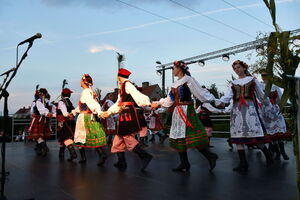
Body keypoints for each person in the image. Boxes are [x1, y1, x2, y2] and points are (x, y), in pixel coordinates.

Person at [151, 61, 218, 172]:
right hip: (177, 112)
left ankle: (210, 156)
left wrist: (214, 100)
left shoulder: (189, 80)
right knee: (179, 136)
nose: (172, 71)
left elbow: (200, 94)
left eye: (173, 68)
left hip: (187, 111)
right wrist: (158, 103)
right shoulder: (173, 85)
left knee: (192, 134)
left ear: (179, 69)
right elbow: (169, 101)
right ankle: (184, 162)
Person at [216, 60, 273, 172]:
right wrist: (220, 102)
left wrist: (268, 106)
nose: (237, 69)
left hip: (249, 109)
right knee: (238, 137)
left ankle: (269, 156)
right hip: (237, 110)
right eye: (235, 68)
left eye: (238, 67)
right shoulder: (233, 83)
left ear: (244, 68)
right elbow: (227, 96)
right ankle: (243, 164)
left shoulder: (252, 80)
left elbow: (261, 95)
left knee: (257, 137)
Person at [105, 68, 153, 171]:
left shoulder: (127, 84)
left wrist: (147, 103)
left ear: (118, 77)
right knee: (118, 138)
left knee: (126, 136)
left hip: (128, 113)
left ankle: (144, 155)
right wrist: (108, 112)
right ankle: (121, 161)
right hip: (124, 113)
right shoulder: (123, 87)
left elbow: (138, 96)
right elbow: (119, 103)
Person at [71, 74, 108, 166]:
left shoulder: (86, 92)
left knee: (82, 136)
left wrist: (99, 112)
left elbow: (92, 104)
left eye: (81, 80)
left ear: (84, 82)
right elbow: (82, 106)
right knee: (91, 135)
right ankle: (98, 155)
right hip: (89, 115)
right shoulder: (90, 91)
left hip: (85, 117)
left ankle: (94, 156)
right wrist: (73, 112)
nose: (79, 82)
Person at [260, 69, 290, 160]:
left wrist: (279, 107)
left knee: (278, 132)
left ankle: (283, 152)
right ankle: (277, 152)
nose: (264, 77)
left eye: (265, 75)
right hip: (265, 112)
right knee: (271, 135)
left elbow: (280, 98)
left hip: (275, 110)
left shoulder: (275, 86)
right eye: (262, 75)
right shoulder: (260, 86)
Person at [28, 88, 53, 157]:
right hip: (45, 119)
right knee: (42, 134)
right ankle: (42, 147)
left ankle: (43, 147)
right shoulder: (47, 101)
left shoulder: (37, 101)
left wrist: (32, 114)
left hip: (38, 119)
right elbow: (51, 109)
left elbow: (32, 111)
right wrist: (50, 113)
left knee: (37, 135)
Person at [56, 88, 77, 161]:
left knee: (65, 137)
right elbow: (74, 111)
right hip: (70, 122)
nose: (70, 94)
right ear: (68, 94)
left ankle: (73, 153)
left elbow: (65, 114)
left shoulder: (61, 102)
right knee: (64, 137)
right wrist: (71, 115)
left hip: (63, 122)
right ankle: (61, 153)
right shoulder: (69, 101)